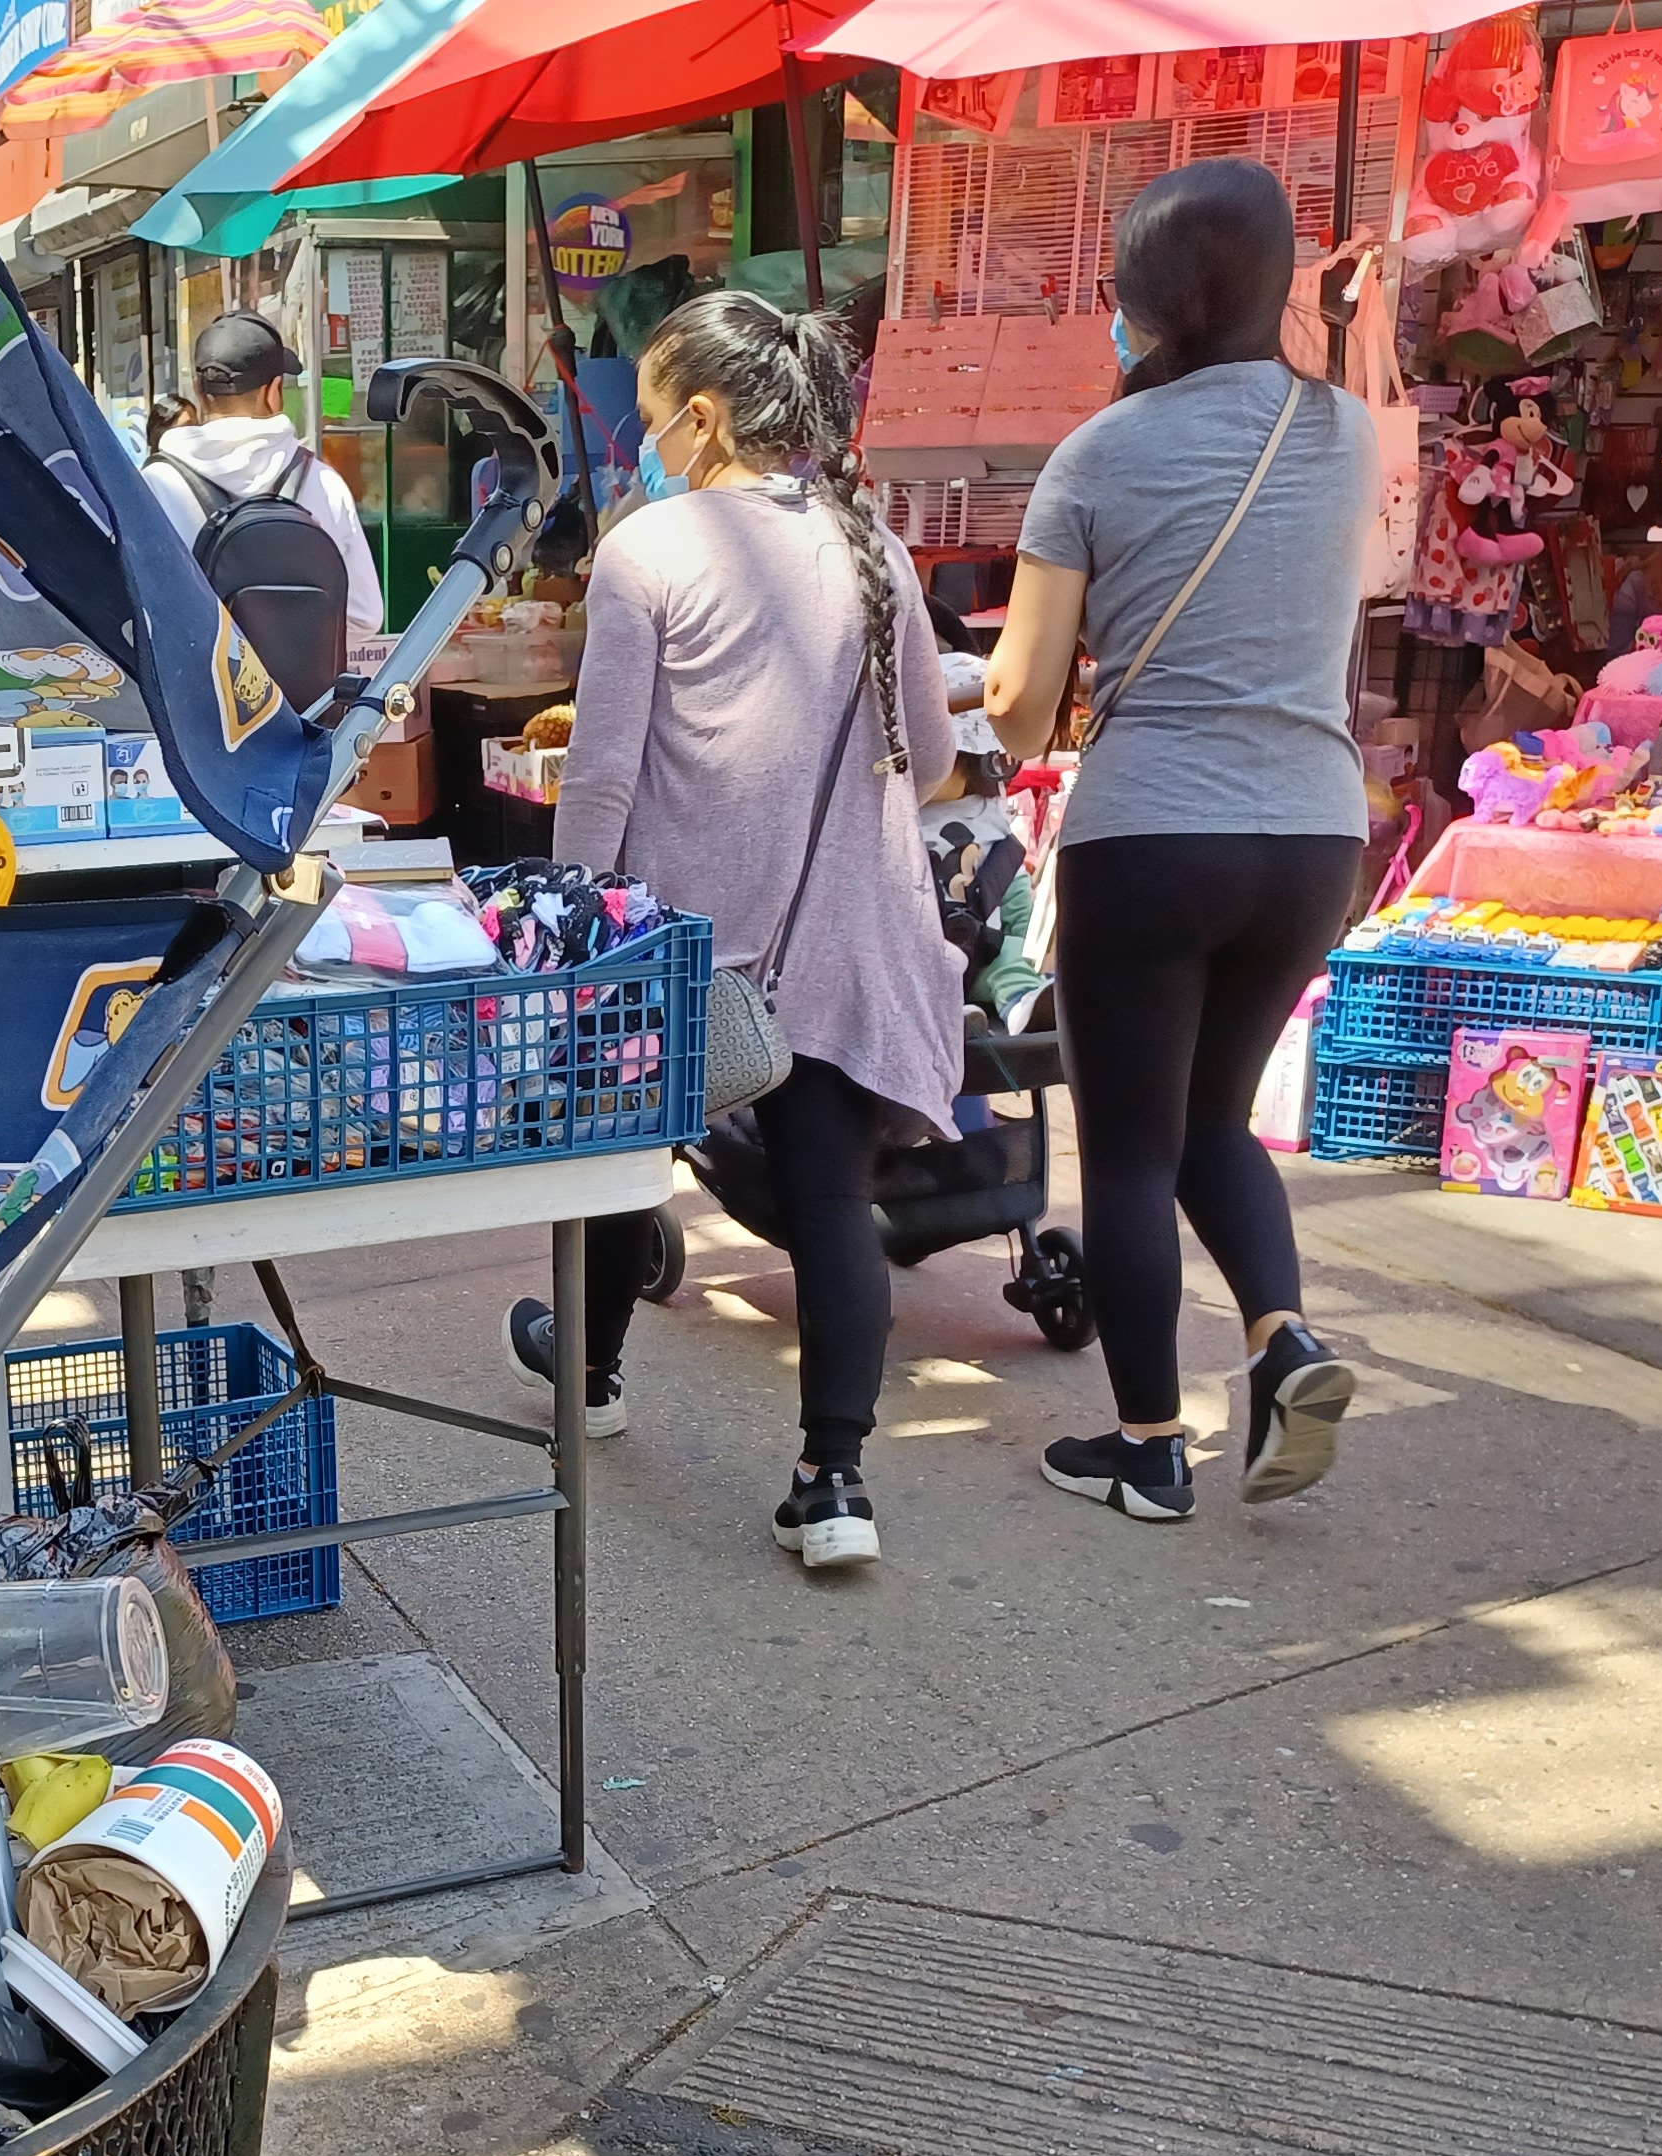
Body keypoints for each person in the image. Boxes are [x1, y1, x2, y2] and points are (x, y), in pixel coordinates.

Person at [502, 288, 966, 1571]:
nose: (642, 443)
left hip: (684, 940)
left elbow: (600, 777)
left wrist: (572, 933)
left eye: (649, 418)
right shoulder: (872, 548)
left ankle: (588, 1375)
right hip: (844, 938)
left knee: (615, 1159)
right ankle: (833, 1484)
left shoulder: (649, 551)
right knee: (831, 1202)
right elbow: (925, 755)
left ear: (699, 420)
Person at [984, 159, 1380, 1525]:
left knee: (1137, 1151)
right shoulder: (1347, 431)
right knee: (1220, 1117)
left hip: (1154, 830)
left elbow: (1023, 704)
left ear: (1136, 300)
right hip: (1315, 834)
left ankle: (1150, 1447)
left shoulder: (1095, 457)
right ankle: (1282, 1338)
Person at [142, 307, 383, 701]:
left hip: (197, 723)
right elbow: (365, 615)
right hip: (303, 723)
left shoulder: (154, 484)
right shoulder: (322, 482)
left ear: (201, 393)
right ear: (274, 392)